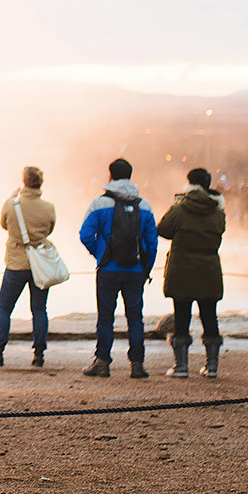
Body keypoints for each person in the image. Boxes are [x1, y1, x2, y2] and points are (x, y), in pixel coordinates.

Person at [78, 158, 158, 379]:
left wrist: (101, 255)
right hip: (135, 271)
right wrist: (146, 269)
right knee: (135, 318)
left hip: (108, 270)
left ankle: (102, 362)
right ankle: (137, 365)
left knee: (105, 317)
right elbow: (152, 243)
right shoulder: (145, 205)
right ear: (130, 176)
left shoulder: (99, 203)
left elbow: (85, 235)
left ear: (110, 176)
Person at [0, 166, 56, 368]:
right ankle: (39, 355)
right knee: (39, 309)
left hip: (16, 262)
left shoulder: (12, 204)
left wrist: (12, 199)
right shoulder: (49, 208)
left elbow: (4, 224)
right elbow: (49, 228)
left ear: (24, 182)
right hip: (40, 265)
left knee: (4, 308)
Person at [157, 166, 225, 379]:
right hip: (209, 269)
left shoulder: (179, 208)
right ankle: (212, 366)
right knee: (209, 316)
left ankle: (181, 366)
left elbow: (163, 229)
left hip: (182, 268)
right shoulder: (218, 211)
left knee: (182, 316)